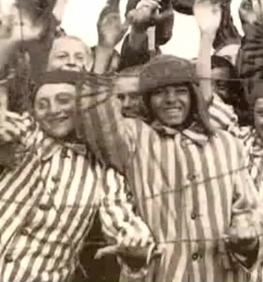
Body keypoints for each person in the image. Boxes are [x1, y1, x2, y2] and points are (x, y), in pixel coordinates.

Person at [75, 51, 263, 281]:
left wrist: (246, 237)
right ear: (146, 100)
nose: (171, 99)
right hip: (162, 274)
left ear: (194, 95)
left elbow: (248, 207)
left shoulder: (226, 143)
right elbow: (96, 121)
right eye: (159, 92)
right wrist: (105, 49)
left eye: (180, 91)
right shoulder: (134, 137)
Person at [0, 70, 156, 282]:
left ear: (82, 106)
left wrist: (137, 248)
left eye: (63, 100)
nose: (53, 110)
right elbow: (8, 125)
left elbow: (121, 218)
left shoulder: (102, 167)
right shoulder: (25, 136)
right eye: (42, 104)